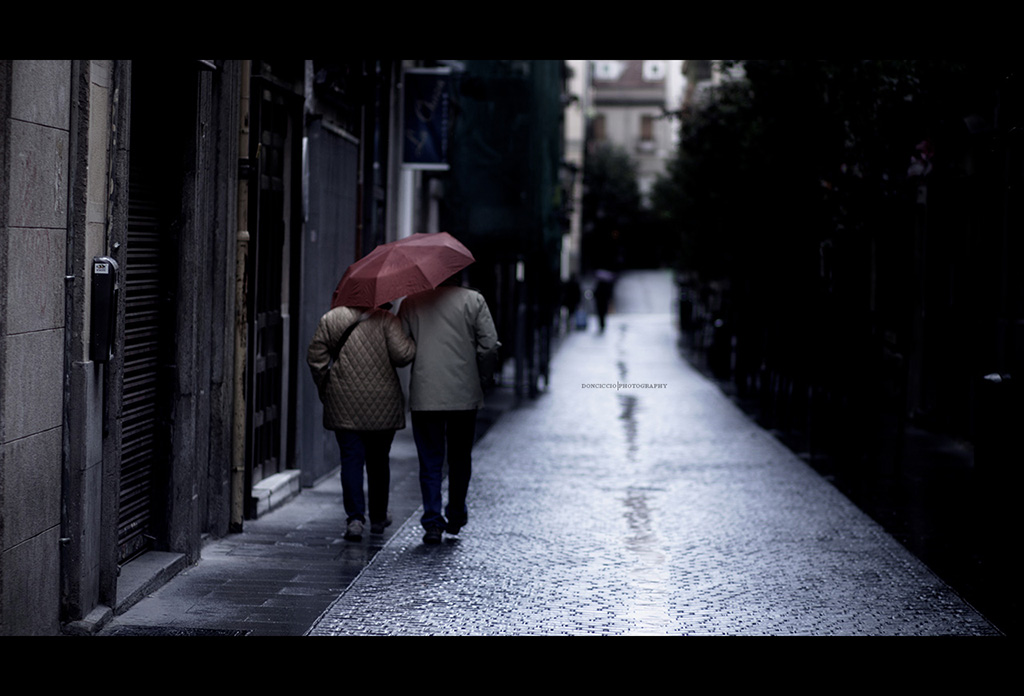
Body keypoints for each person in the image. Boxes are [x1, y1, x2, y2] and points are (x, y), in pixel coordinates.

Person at [398, 275, 500, 545]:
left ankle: (432, 521)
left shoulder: (411, 303)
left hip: (426, 391)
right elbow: (489, 346)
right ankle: (455, 514)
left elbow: (400, 350)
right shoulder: (473, 300)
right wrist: (485, 377)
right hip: (464, 392)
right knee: (459, 458)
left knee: (430, 460)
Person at [307, 304, 415, 542]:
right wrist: (412, 340)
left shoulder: (332, 318)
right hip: (383, 403)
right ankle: (377, 518)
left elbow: (316, 356)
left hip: (344, 401)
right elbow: (402, 356)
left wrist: (327, 385)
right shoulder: (387, 319)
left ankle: (355, 519)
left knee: (351, 460)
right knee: (378, 462)